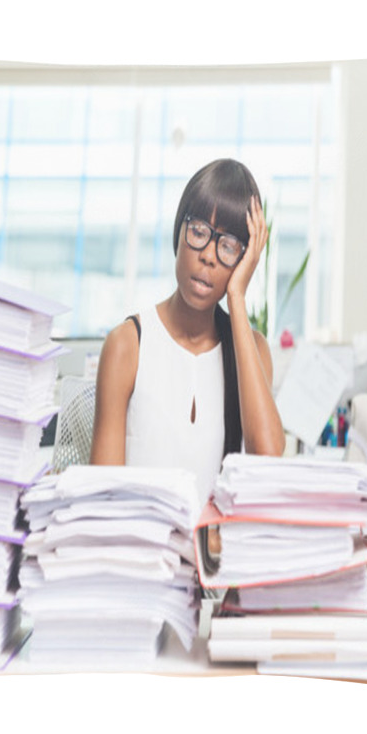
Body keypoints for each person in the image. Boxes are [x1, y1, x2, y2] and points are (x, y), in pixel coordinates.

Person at [90, 159, 285, 500]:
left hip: (217, 552)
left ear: (244, 259)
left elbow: (267, 457)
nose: (208, 256)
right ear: (178, 234)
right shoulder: (127, 344)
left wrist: (236, 296)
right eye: (198, 232)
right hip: (143, 550)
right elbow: (101, 502)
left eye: (227, 246)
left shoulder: (251, 350)